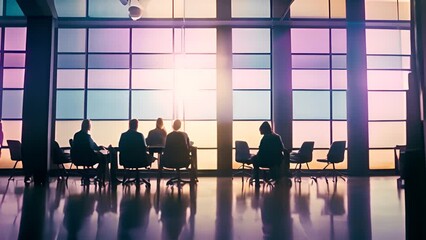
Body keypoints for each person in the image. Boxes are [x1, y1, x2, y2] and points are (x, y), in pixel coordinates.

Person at [249, 121, 289, 186]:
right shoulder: (277, 136)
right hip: (276, 161)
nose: (260, 132)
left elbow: (261, 151)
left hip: (266, 161)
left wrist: (254, 157)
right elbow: (282, 149)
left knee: (254, 160)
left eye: (260, 130)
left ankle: (257, 181)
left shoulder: (265, 138)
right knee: (254, 158)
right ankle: (268, 177)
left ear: (263, 130)